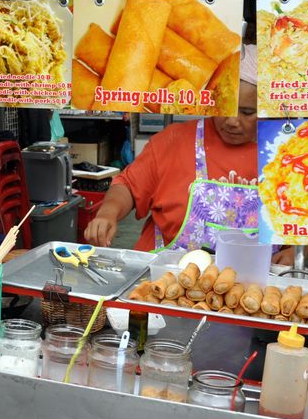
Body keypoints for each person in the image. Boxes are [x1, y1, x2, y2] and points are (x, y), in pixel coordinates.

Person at [85, 43, 292, 265]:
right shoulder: (174, 140)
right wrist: (108, 213)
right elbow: (128, 185)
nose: (232, 121)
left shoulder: (286, 153)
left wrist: (298, 252)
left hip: (253, 288)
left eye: (248, 112)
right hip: (165, 283)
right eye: (224, 106)